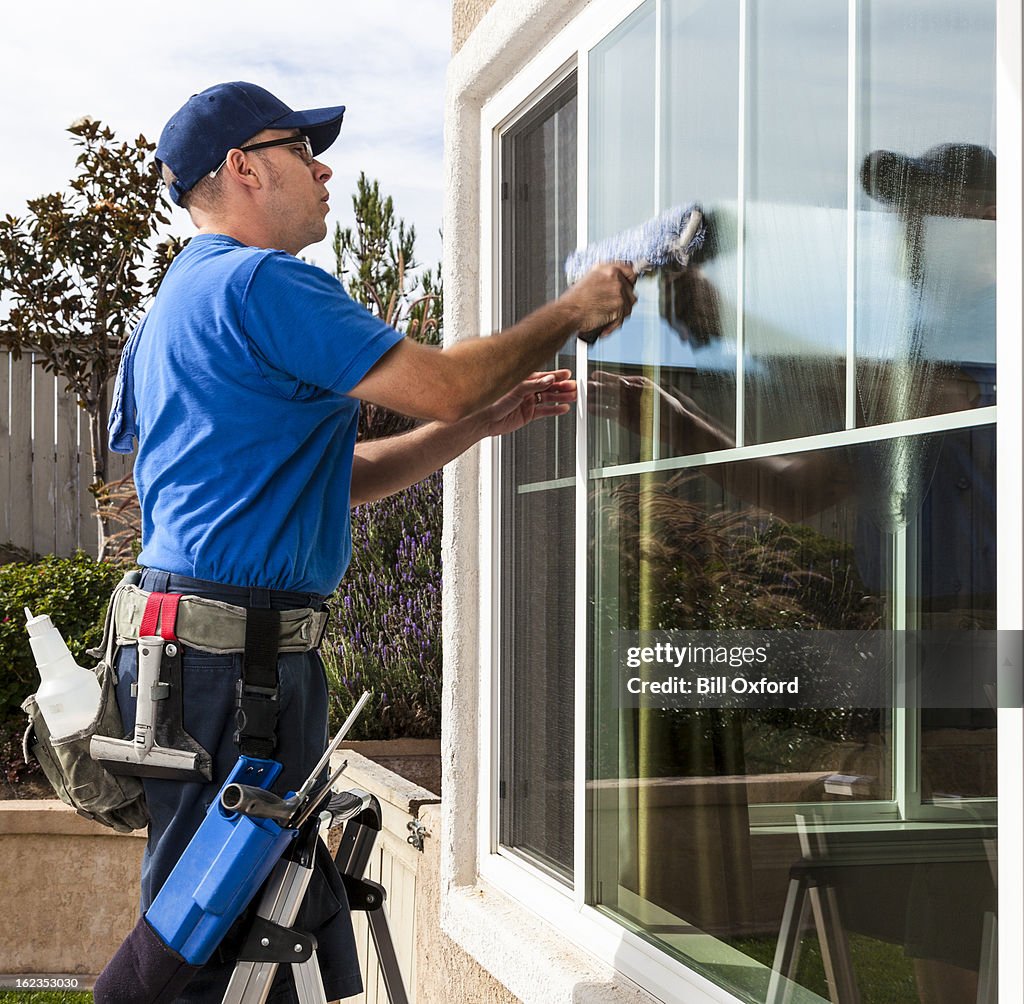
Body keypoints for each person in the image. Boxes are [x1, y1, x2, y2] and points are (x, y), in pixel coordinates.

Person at [104, 80, 636, 1003]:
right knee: (215, 925)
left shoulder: (167, 313)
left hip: (184, 657)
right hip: (239, 668)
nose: (324, 168)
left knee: (223, 902)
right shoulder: (263, 283)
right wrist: (571, 309)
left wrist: (475, 426)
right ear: (242, 169)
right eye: (300, 150)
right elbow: (436, 381)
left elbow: (326, 481)